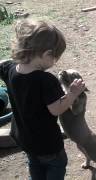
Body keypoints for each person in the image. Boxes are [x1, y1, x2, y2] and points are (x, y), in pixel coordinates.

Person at [0, 19, 86, 180]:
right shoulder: (45, 80)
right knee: (56, 166)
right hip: (47, 144)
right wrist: (72, 93)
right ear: (47, 54)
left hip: (23, 138)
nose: (54, 63)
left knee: (34, 164)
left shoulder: (9, 69)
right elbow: (56, 109)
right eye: (54, 59)